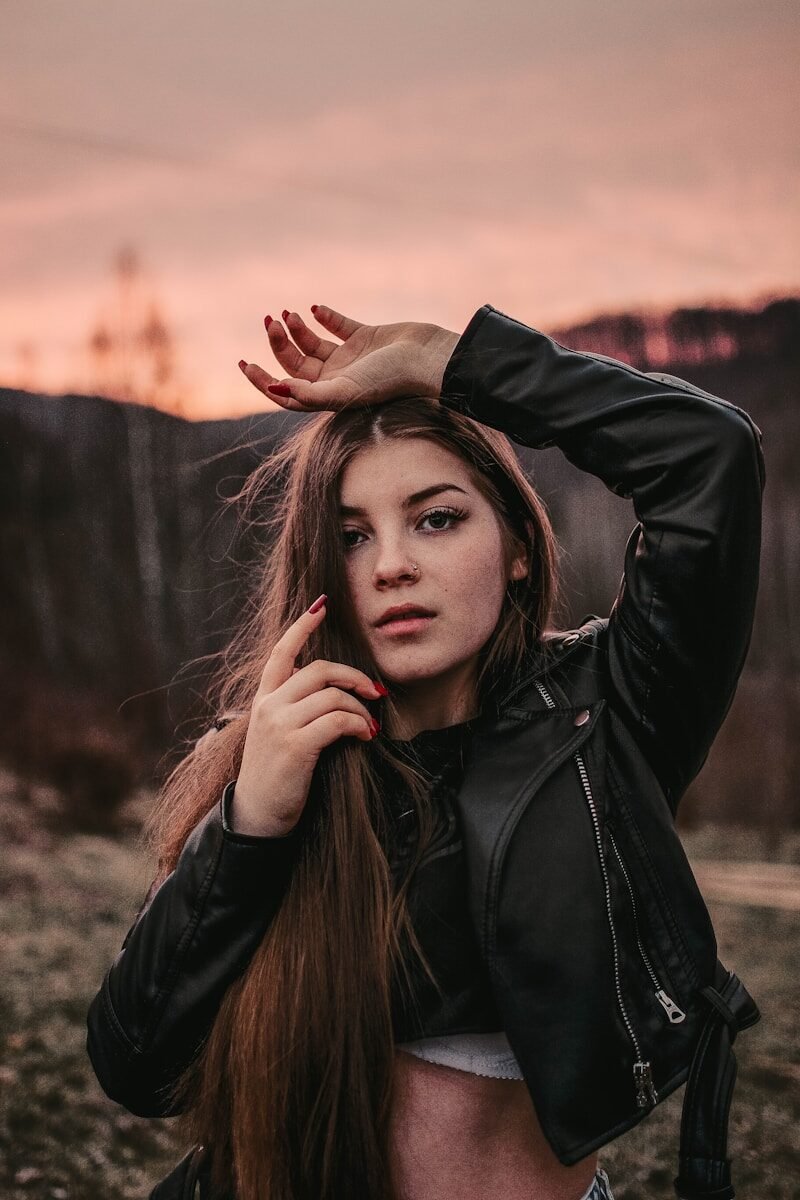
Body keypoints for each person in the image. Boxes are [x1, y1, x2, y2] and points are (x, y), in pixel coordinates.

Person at [87, 302, 764, 1200]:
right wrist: (252, 823)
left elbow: (709, 457)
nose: (391, 566)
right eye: (352, 534)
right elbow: (135, 1063)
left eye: (436, 519)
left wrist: (451, 361)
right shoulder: (283, 756)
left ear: (519, 546)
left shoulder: (609, 713)